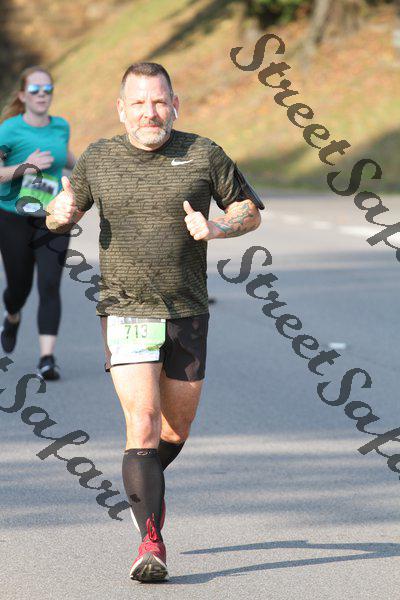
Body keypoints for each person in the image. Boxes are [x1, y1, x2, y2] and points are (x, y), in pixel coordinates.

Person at [45, 62, 264, 582]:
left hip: (187, 311)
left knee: (175, 429)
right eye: (139, 103)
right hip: (126, 309)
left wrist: (217, 227)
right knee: (142, 421)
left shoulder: (204, 153)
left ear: (175, 105)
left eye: (160, 101)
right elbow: (62, 210)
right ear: (122, 110)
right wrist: (59, 212)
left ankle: (143, 484)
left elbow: (250, 210)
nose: (151, 112)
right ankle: (151, 542)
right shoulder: (99, 158)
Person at [0, 65, 75, 379]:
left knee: (49, 284)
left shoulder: (60, 126)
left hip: (52, 218)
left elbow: (65, 157)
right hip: (13, 217)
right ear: (22, 95)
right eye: (35, 89)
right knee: (19, 287)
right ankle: (12, 315)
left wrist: (90, 172)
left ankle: (47, 358)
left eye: (47, 89)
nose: (42, 94)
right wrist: (26, 167)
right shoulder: (8, 130)